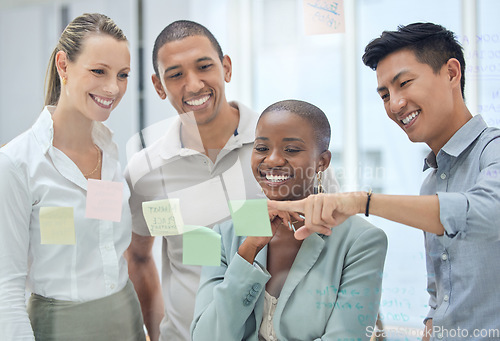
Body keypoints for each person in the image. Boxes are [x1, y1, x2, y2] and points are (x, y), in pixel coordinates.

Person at [270, 23, 500, 340]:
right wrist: (432, 322)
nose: (395, 104)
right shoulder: (431, 182)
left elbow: (487, 213)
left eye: (404, 83)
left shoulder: (494, 151)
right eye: (384, 94)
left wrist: (361, 202)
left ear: (451, 73)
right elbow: (441, 286)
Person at [124, 20, 340, 341]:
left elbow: (337, 242)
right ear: (159, 86)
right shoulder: (145, 170)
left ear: (226, 67)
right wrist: (157, 333)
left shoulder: (287, 148)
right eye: (176, 74)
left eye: (204, 66)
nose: (193, 84)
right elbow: (139, 256)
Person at [0, 13, 146, 341]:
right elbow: (5, 293)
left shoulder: (109, 152)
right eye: (98, 71)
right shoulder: (16, 164)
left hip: (127, 320)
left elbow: (106, 246)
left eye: (122, 75)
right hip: (60, 329)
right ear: (63, 65)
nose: (113, 88)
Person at [190, 99, 387, 340]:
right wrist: (247, 252)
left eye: (291, 150)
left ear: (322, 161)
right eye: (261, 148)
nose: (272, 160)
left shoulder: (362, 241)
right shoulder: (224, 231)